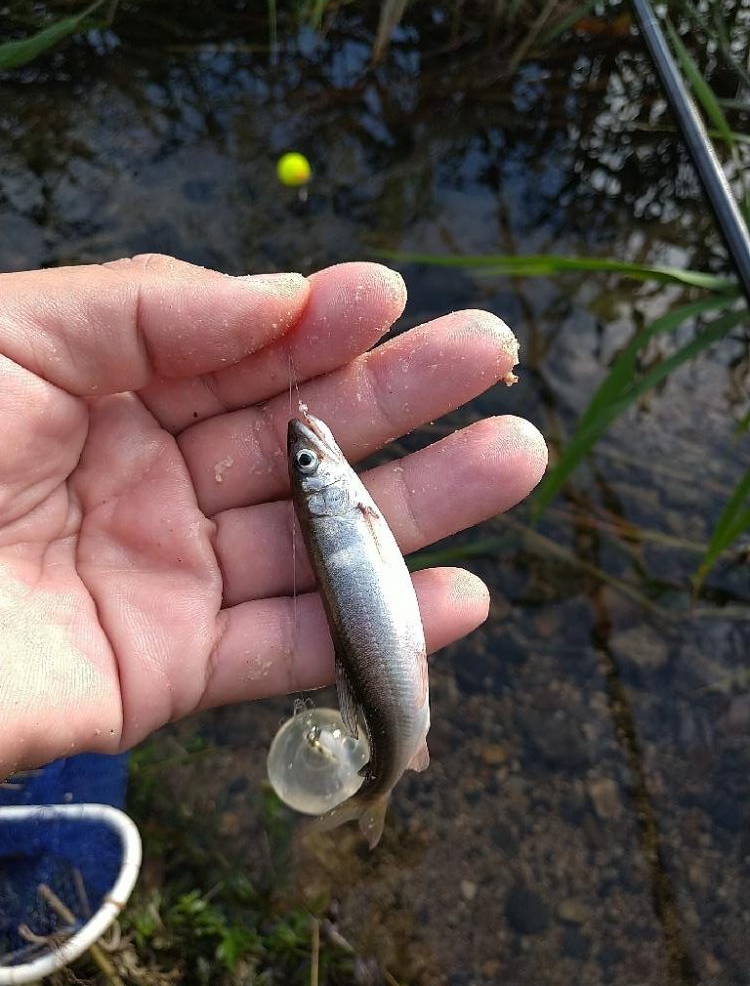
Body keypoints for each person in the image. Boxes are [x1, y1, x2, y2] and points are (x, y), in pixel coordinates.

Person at [0, 255, 547, 782]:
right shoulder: (343, 501)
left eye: (301, 462)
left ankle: (387, 769)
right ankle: (384, 774)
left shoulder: (336, 502)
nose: (304, 449)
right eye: (305, 462)